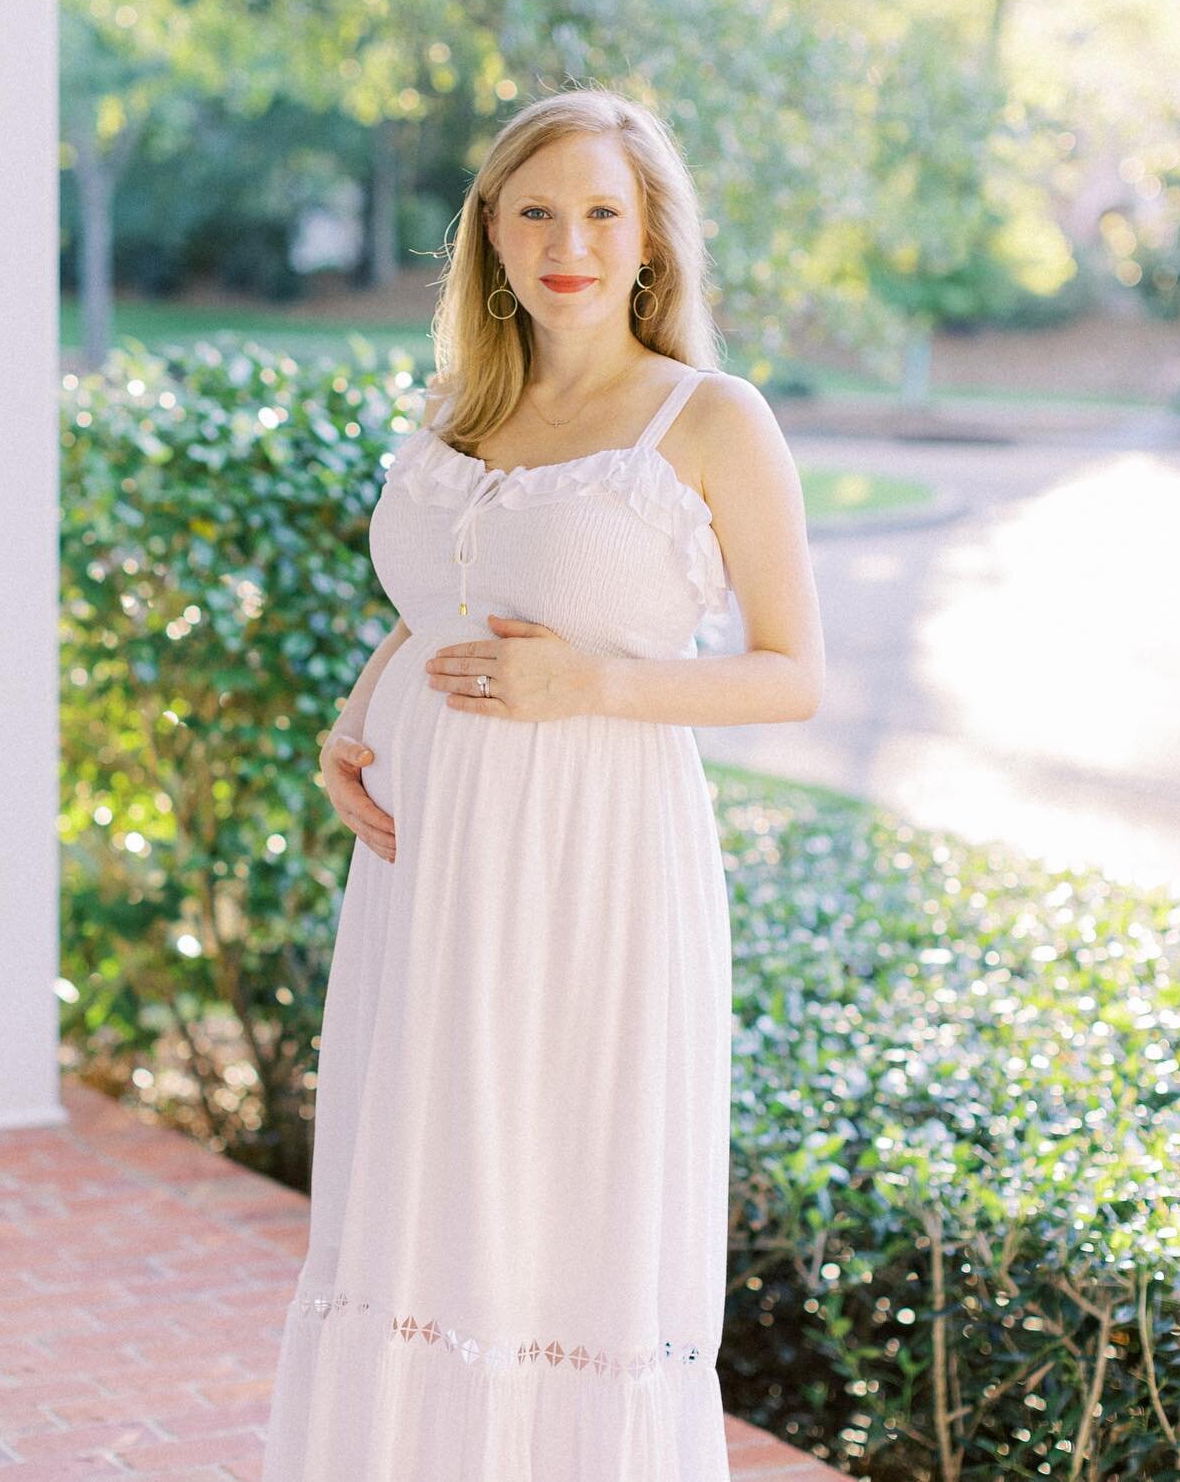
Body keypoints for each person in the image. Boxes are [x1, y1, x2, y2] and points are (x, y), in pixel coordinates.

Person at [261, 86, 824, 1481]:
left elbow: (792, 673)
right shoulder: (467, 407)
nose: (567, 241)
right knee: (425, 1208)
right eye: (535, 210)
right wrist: (365, 703)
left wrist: (594, 685)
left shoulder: (708, 418)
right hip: (424, 873)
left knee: (557, 1214)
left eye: (600, 213)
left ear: (647, 240)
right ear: (491, 235)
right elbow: (450, 589)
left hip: (589, 870)